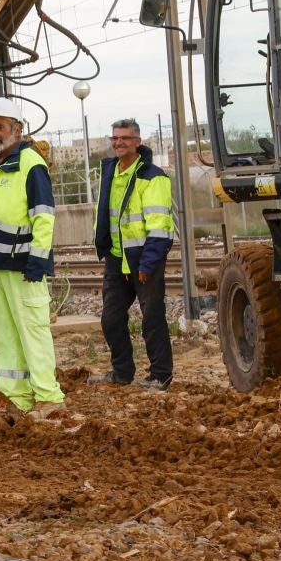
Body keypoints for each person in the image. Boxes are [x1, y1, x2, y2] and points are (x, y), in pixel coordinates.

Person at [0, 97, 64, 413]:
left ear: (17, 129)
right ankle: (15, 397)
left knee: (32, 333)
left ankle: (49, 398)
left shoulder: (31, 165)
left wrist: (37, 261)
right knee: (6, 336)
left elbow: (44, 217)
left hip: (25, 267)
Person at [92, 119, 175, 389]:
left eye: (125, 138)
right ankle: (122, 373)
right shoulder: (110, 173)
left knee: (152, 318)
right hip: (117, 258)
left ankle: (161, 376)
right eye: (115, 138)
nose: (119, 143)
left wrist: (148, 263)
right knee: (111, 318)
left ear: (137, 142)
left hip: (143, 258)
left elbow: (160, 226)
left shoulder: (152, 177)